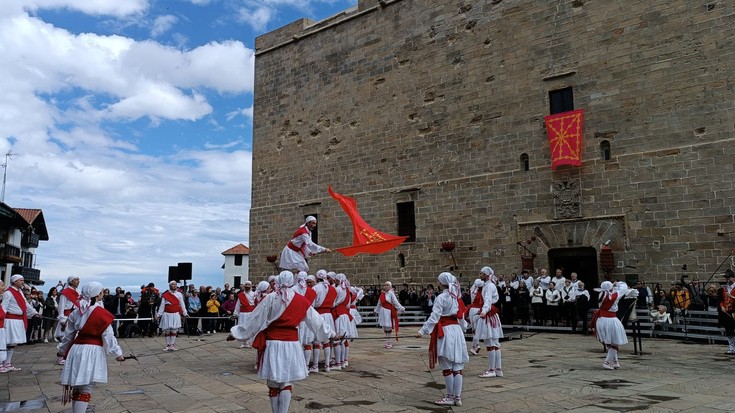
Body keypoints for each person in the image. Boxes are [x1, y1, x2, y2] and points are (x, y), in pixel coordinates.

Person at [228, 271, 334, 413]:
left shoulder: (271, 298)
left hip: (273, 343)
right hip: (291, 344)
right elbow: (317, 321)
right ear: (292, 281)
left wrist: (236, 333)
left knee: (273, 382)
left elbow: (255, 320)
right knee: (287, 381)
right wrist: (332, 334)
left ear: (277, 281)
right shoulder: (301, 300)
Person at [57, 281, 125, 413]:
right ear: (98, 295)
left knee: (78, 387)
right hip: (92, 351)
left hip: (76, 349)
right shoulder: (101, 313)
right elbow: (108, 336)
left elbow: (68, 336)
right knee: (85, 387)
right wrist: (118, 353)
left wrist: (62, 351)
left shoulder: (75, 312)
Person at [415, 272, 469, 407]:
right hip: (456, 331)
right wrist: (463, 329)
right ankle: (457, 397)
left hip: (445, 331)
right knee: (457, 366)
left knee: (447, 365)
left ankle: (450, 396)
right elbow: (461, 317)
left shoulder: (442, 297)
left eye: (438, 281)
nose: (437, 283)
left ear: (442, 283)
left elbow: (434, 317)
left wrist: (422, 331)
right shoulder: (457, 298)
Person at [1, 275, 41, 371]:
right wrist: (1, 319)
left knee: (13, 343)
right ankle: (1, 363)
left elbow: (25, 304)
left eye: (23, 280)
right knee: (6, 342)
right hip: (10, 320)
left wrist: (34, 312)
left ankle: (8, 363)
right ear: (14, 282)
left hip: (19, 320)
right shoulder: (8, 293)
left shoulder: (20, 292)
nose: (23, 282)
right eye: (21, 280)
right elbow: (4, 306)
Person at [475, 266, 504, 378]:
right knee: (495, 343)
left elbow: (487, 300)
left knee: (490, 342)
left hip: (489, 315)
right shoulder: (489, 285)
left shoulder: (488, 286)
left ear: (486, 275)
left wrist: (484, 311)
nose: (480, 275)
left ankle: (492, 369)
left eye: (482, 273)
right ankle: (498, 369)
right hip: (492, 314)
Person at [594, 281, 628, 369]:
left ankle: (615, 361)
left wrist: (612, 287)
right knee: (615, 342)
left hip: (601, 320)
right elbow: (624, 287)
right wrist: (618, 283)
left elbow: (608, 291)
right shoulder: (615, 295)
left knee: (612, 341)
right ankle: (607, 362)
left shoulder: (602, 294)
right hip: (610, 320)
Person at [310, 270, 337, 371]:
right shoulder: (332, 289)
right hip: (328, 315)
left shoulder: (315, 288)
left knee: (317, 340)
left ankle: (315, 365)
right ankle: (327, 365)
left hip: (319, 314)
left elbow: (312, 304)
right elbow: (333, 304)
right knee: (326, 340)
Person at [157, 281, 188, 351]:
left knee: (174, 330)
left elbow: (182, 304)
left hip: (175, 314)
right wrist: (159, 314)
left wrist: (185, 313)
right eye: (173, 284)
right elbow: (162, 306)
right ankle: (168, 345)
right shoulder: (165, 295)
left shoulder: (179, 294)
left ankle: (172, 345)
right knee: (167, 330)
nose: (174, 286)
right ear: (170, 286)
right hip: (167, 314)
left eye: (175, 284)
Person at [374, 280, 405, 349]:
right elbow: (379, 303)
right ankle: (387, 341)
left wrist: (401, 308)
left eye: (388, 285)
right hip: (383, 312)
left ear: (390, 286)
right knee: (385, 327)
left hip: (388, 312)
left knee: (388, 327)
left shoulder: (391, 294)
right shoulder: (382, 294)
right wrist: (376, 310)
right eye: (385, 285)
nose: (386, 286)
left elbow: (395, 302)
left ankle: (389, 342)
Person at [55, 276, 81, 344]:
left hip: (76, 316)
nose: (78, 281)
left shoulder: (78, 292)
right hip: (67, 316)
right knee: (65, 338)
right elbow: (61, 307)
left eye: (78, 280)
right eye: (76, 280)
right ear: (71, 281)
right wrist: (62, 319)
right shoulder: (65, 292)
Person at [718, 269, 735, 354]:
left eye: (729, 278)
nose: (727, 279)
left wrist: (732, 296)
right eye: (726, 278)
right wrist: (722, 306)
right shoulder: (724, 288)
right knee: (729, 331)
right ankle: (732, 348)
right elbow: (721, 299)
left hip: (734, 311)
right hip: (726, 311)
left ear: (733, 278)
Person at [468, 278, 484, 355]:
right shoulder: (482, 291)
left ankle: (475, 345)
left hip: (473, 310)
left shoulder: (473, 290)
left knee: (475, 330)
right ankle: (476, 345)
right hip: (478, 309)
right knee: (476, 329)